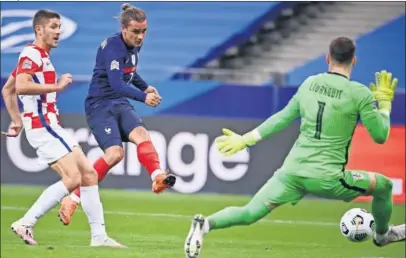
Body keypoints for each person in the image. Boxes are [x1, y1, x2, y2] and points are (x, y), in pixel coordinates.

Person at [184, 37, 405, 257]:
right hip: (327, 178)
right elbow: (380, 136)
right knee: (383, 185)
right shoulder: (360, 93)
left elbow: (282, 117)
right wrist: (384, 105)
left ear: (327, 58)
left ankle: (205, 224)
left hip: (291, 172)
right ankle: (383, 235)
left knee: (250, 212)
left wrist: (245, 139)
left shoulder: (309, 83)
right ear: (354, 61)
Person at [1, 9, 124, 248]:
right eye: (54, 27)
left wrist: (16, 121)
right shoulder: (31, 55)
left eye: (60, 27)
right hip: (44, 126)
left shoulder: (39, 56)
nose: (59, 31)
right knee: (74, 177)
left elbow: (8, 89)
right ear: (40, 29)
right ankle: (26, 222)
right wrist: (56, 87)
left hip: (48, 126)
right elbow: (23, 87)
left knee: (88, 175)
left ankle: (99, 237)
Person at [58, 3, 176, 225]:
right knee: (115, 154)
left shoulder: (132, 45)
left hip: (118, 102)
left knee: (142, 135)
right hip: (100, 105)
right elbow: (116, 83)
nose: (140, 37)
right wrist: (143, 97)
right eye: (135, 32)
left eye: (144, 31)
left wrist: (145, 86)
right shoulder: (113, 47)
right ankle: (72, 198)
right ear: (124, 29)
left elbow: (130, 72)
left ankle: (157, 176)